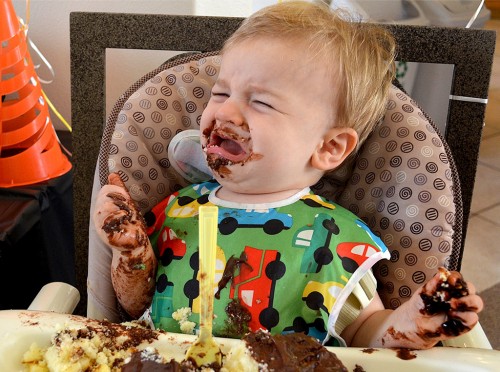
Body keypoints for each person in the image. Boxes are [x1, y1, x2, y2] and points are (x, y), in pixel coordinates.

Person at [93, 1, 483, 348]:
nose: (226, 112)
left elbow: (366, 333)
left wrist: (414, 323)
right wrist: (131, 252)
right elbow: (136, 306)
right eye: (221, 93)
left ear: (328, 148)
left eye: (260, 102)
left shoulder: (332, 242)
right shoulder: (176, 211)